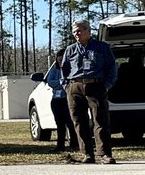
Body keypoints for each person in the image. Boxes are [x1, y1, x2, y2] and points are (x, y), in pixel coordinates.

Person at [61, 19, 118, 165]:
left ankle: (104, 154)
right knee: (79, 122)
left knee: (100, 120)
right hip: (75, 87)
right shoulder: (70, 49)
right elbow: (64, 70)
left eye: (79, 31)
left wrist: (106, 85)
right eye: (74, 32)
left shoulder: (102, 47)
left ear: (88, 31)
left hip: (96, 86)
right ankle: (87, 154)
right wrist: (67, 87)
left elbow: (111, 67)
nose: (76, 34)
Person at [44, 50, 76, 153]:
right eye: (59, 57)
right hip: (56, 100)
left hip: (67, 99)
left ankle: (74, 144)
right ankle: (60, 146)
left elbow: (71, 82)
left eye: (63, 57)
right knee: (59, 124)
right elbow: (50, 82)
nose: (60, 59)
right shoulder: (54, 70)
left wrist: (62, 84)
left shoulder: (71, 69)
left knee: (71, 123)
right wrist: (61, 83)